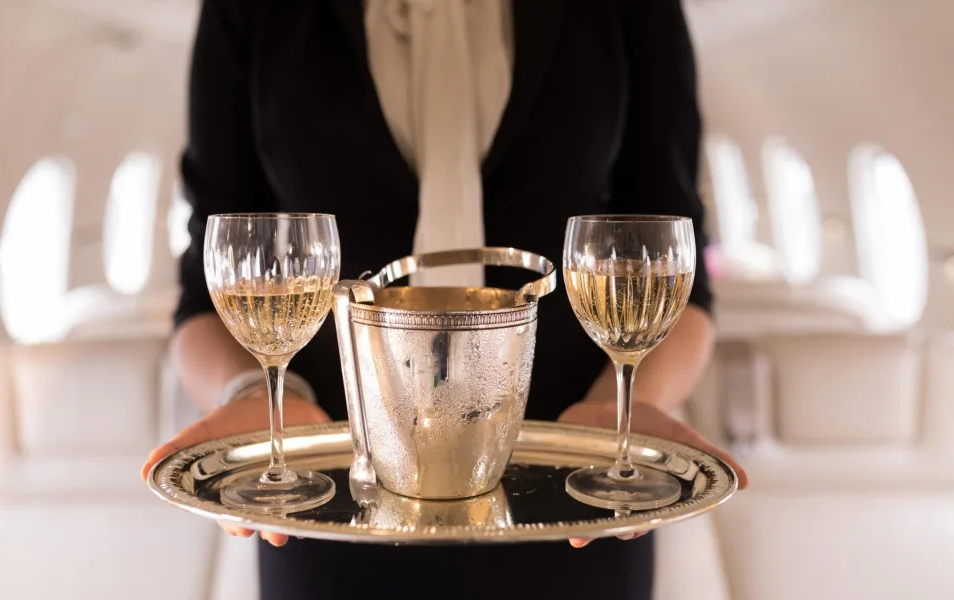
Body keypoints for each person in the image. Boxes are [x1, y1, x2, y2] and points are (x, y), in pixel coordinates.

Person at [142, 1, 748, 599]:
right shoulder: (248, 11)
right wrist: (255, 396)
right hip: (333, 514)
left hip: (571, 512)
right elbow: (206, 287)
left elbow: (677, 264)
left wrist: (622, 410)